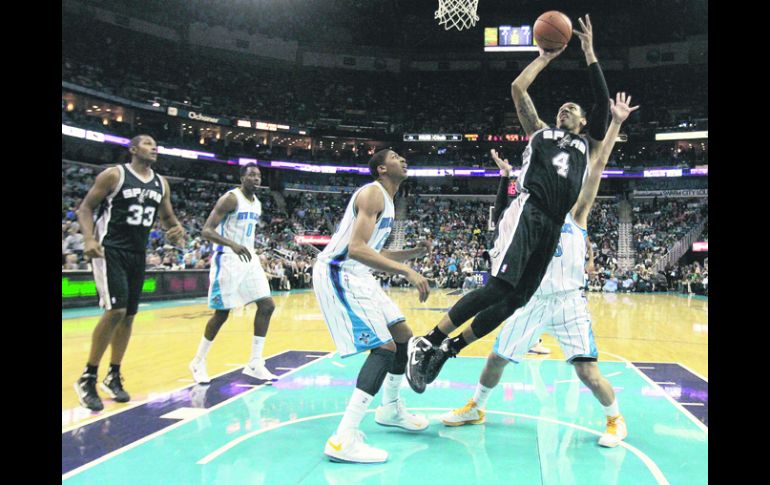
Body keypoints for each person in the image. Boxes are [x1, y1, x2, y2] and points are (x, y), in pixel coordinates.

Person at [407, 15, 612, 392]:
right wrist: (544, 58)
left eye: (571, 109)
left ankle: (449, 349)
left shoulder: (588, 145)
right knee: (500, 286)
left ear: (585, 122)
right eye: (561, 108)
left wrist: (589, 52)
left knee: (516, 299)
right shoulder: (541, 132)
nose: (565, 110)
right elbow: (518, 89)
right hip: (528, 211)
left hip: (554, 223)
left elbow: (603, 101)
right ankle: (429, 340)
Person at [439, 92, 637, 449]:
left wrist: (616, 123)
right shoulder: (532, 213)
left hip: (568, 301)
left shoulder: (576, 212)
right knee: (497, 358)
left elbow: (598, 164)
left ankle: (615, 419)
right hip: (530, 298)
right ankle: (476, 407)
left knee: (587, 370)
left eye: (572, 110)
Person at [313, 149, 432, 464]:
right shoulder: (372, 194)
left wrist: (412, 254)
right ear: (381, 168)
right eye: (395, 156)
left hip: (360, 275)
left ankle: (390, 409)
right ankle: (343, 438)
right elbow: (355, 249)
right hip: (339, 272)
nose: (403, 159)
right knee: (384, 349)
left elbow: (374, 252)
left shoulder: (388, 201)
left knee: (404, 337)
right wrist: (406, 271)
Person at [74, 135, 186, 411]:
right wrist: (88, 239)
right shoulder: (115, 175)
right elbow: (85, 208)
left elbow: (167, 217)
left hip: (138, 253)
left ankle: (113, 374)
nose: (154, 147)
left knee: (128, 317)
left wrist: (176, 229)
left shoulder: (161, 183)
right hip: (110, 249)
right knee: (116, 311)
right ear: (133, 149)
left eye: (156, 144)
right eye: (147, 143)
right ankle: (88, 377)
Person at [189, 163, 278, 384]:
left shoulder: (257, 203)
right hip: (228, 258)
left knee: (267, 305)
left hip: (249, 258)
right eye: (251, 175)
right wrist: (232, 244)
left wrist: (245, 247)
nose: (256, 179)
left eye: (258, 176)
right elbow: (206, 230)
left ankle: (255, 363)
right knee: (222, 314)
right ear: (242, 178)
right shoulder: (230, 198)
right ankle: (198, 361)